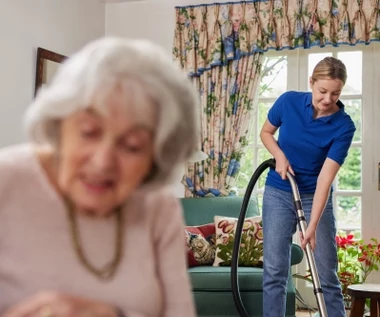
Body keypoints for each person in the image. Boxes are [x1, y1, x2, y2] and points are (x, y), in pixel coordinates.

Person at [0, 37, 199, 317]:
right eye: (89, 131)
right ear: (59, 126)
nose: (103, 161)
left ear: (156, 158)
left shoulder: (158, 207)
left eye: (132, 145)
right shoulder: (6, 181)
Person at [260, 57, 356, 317]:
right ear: (311, 83)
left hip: (316, 195)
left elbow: (326, 178)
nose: (328, 99)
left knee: (326, 271)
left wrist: (312, 225)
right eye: (322, 91)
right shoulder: (288, 102)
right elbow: (266, 133)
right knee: (275, 271)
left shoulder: (344, 126)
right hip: (279, 192)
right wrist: (279, 155)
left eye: (335, 93)